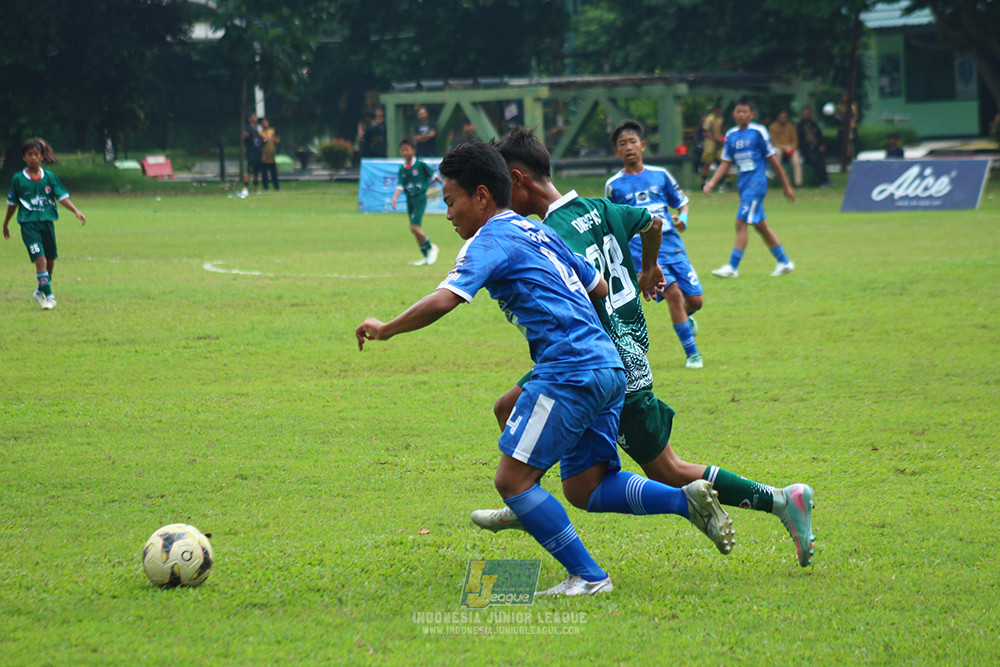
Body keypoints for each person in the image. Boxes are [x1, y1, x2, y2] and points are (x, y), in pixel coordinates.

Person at [356, 142, 735, 597]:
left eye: (451, 201)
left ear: (481, 196)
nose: (448, 212)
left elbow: (446, 299)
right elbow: (597, 286)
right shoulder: (538, 231)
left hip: (570, 370)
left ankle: (589, 576)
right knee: (586, 487)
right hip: (608, 365)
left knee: (510, 480)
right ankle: (683, 499)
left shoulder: (490, 238)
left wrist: (387, 329)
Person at [472, 127, 816, 569]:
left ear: (517, 180)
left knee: (664, 472)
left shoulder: (552, 233)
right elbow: (653, 222)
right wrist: (649, 265)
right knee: (511, 410)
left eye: (504, 187)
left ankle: (782, 500)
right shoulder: (598, 207)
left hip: (600, 359)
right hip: (624, 349)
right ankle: (524, 497)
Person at [605, 120, 704, 370]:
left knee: (695, 301)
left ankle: (686, 317)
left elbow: (682, 203)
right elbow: (613, 223)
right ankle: (692, 354)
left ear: (643, 145)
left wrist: (683, 217)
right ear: (616, 152)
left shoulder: (660, 175)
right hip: (644, 252)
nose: (628, 147)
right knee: (672, 294)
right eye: (622, 144)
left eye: (633, 142)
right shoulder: (614, 185)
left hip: (672, 245)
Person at [704, 97, 796, 279]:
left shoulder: (758, 132)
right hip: (744, 185)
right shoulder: (731, 135)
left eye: (745, 111)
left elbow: (773, 160)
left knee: (741, 223)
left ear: (751, 114)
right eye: (738, 111)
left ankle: (732, 267)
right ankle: (784, 262)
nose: (741, 114)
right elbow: (725, 162)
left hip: (757, 184)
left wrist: (786, 185)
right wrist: (712, 182)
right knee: (760, 226)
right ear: (733, 114)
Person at [3, 137, 86, 310]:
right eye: (29, 154)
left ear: (42, 156)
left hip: (47, 223)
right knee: (39, 259)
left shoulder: (49, 177)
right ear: (24, 157)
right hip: (28, 225)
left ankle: (40, 290)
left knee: (50, 261)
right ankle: (50, 296)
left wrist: (75, 211)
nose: (33, 157)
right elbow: (13, 203)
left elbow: (61, 197)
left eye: (36, 154)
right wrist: (6, 223)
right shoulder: (18, 179)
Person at [390, 138, 441, 266]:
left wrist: (445, 185)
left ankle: (431, 248)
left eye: (407, 149)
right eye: (402, 150)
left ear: (413, 151)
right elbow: (400, 185)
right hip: (410, 200)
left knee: (414, 227)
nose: (405, 152)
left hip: (420, 198)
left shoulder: (420, 165)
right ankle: (426, 256)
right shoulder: (402, 168)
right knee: (414, 230)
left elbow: (434, 176)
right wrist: (395, 197)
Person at [796, 107, 831, 187]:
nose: (806, 115)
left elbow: (820, 136)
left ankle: (825, 180)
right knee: (814, 160)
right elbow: (800, 141)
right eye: (804, 114)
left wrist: (822, 145)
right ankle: (821, 180)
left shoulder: (814, 124)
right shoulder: (799, 126)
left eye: (807, 113)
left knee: (821, 160)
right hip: (806, 149)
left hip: (816, 147)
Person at [769, 110, 802, 187]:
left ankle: (798, 183)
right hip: (779, 147)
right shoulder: (773, 127)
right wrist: (783, 147)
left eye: (785, 117)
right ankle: (781, 179)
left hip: (790, 147)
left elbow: (795, 141)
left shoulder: (790, 126)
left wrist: (791, 148)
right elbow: (774, 141)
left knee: (796, 160)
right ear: (778, 118)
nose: (783, 119)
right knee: (777, 154)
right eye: (782, 117)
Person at [700, 104, 725, 185]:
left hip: (719, 143)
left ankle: (724, 183)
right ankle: (703, 183)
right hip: (710, 143)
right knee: (707, 162)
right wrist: (715, 138)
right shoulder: (709, 119)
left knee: (722, 161)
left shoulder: (720, 119)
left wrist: (721, 138)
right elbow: (705, 132)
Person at [242, 113, 263, 195]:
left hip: (258, 153)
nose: (256, 118)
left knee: (256, 172)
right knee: (249, 171)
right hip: (251, 154)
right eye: (253, 117)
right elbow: (243, 141)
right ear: (249, 119)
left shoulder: (256, 129)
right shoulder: (248, 129)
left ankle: (256, 188)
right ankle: (245, 188)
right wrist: (244, 137)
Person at [259, 117, 280, 191]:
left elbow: (276, 140)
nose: (265, 124)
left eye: (266, 122)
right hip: (265, 154)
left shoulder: (272, 131)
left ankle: (276, 186)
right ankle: (266, 187)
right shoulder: (261, 133)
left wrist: (277, 140)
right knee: (264, 172)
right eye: (263, 123)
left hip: (272, 154)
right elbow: (260, 144)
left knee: (273, 171)